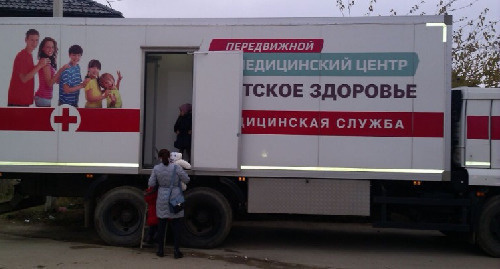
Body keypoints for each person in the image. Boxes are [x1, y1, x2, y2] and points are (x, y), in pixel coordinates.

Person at [148, 148, 190, 259]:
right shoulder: (177, 167)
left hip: (162, 198)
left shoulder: (156, 168)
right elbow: (187, 179)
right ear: (170, 157)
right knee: (176, 227)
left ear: (160, 158)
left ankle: (160, 250)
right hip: (175, 198)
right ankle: (176, 251)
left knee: (161, 226)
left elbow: (151, 183)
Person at [8, 29, 49, 107]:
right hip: (18, 101)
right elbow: (24, 78)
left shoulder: (29, 55)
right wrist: (39, 65)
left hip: (23, 100)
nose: (34, 43)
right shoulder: (22, 56)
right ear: (26, 40)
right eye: (32, 40)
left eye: (36, 40)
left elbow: (30, 73)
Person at [34, 37, 69, 107]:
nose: (51, 50)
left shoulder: (47, 61)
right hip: (43, 98)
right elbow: (49, 84)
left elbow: (53, 80)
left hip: (44, 98)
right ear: (43, 48)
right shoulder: (45, 62)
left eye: (52, 47)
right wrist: (60, 70)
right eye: (48, 47)